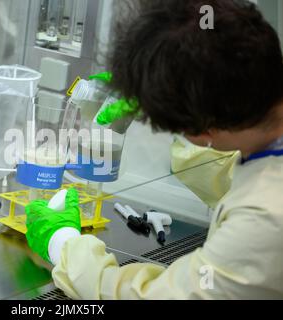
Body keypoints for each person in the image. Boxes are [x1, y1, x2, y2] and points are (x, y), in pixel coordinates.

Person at [25, 0, 283, 299]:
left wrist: (64, 243)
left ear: (202, 130)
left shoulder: (264, 220)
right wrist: (164, 102)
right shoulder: (264, 134)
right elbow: (239, 172)